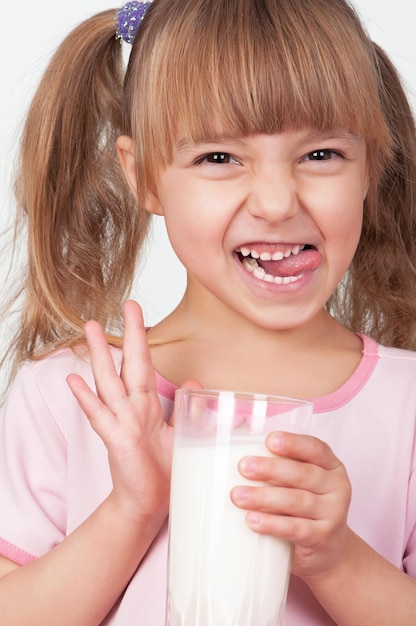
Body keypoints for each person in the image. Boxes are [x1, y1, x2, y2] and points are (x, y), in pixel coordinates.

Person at [0, 0, 416, 623]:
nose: (277, 203)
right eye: (218, 158)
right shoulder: (76, 396)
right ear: (142, 178)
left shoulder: (407, 403)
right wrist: (132, 510)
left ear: (370, 168)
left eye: (322, 154)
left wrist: (338, 559)